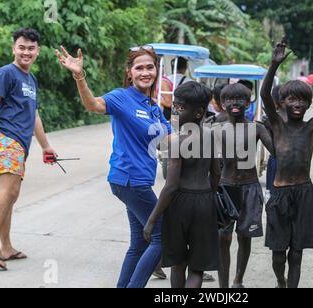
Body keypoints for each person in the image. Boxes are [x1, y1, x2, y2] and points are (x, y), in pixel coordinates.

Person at [55, 45, 172, 288]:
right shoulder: (121, 97)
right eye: (139, 68)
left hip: (138, 180)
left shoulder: (154, 107)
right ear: (129, 72)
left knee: (140, 242)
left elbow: (169, 141)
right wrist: (79, 75)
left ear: (156, 71)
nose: (145, 72)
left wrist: (203, 136)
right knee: (162, 236)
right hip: (130, 180)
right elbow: (93, 105)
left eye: (150, 67)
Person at [261, 38, 313, 288]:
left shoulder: (312, 127)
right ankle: (281, 281)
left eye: (303, 100)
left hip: (304, 193)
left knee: (297, 252)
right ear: (282, 104)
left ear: (309, 104)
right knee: (278, 254)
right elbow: (264, 94)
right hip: (280, 194)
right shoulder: (277, 125)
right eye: (292, 100)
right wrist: (274, 65)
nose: (297, 103)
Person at [0, 28, 57, 270]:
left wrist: (46, 146)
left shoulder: (31, 80)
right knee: (8, 191)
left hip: (20, 144)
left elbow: (34, 115)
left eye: (31, 48)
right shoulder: (6, 74)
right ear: (14, 48)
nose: (26, 52)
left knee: (12, 194)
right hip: (4, 137)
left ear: (37, 52)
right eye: (21, 47)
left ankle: (6, 246)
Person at [144, 81, 221, 288]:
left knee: (178, 264)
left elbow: (170, 186)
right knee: (197, 269)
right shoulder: (212, 137)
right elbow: (215, 174)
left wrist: (152, 219)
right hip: (204, 201)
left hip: (179, 205)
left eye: (181, 107)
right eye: (175, 105)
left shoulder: (177, 141)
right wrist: (208, 197)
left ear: (198, 113)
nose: (175, 110)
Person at [217, 83, 274, 289]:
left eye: (241, 99)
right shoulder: (216, 129)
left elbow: (276, 151)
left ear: (249, 102)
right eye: (230, 99)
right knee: (223, 237)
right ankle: (223, 286)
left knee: (245, 236)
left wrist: (274, 126)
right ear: (222, 104)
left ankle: (238, 280)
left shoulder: (257, 128)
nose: (235, 103)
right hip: (224, 188)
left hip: (249, 187)